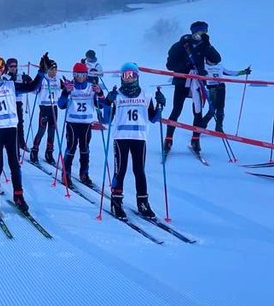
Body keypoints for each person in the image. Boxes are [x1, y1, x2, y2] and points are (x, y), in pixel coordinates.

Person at [0, 54, 46, 214]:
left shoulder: (10, 85)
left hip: (11, 129)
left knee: (15, 164)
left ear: (2, 71)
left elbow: (32, 87)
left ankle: (19, 195)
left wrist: (41, 71)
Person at [104, 63, 166, 220]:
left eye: (132, 75)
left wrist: (160, 104)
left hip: (139, 137)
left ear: (137, 76)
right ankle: (116, 202)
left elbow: (154, 119)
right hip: (121, 137)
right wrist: (107, 102)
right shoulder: (116, 95)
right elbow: (106, 119)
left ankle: (143, 203)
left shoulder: (146, 95)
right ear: (121, 77)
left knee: (139, 171)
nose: (129, 78)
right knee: (121, 170)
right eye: (126, 75)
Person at [164, 21, 221, 154]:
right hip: (182, 81)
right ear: (193, 32)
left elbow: (216, 59)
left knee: (198, 112)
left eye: (205, 32)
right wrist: (186, 65)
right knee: (176, 110)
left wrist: (208, 44)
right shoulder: (180, 45)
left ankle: (195, 140)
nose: (202, 35)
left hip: (198, 83)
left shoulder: (204, 45)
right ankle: (168, 139)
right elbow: (170, 65)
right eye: (200, 32)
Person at [57, 62, 105, 188]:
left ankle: (84, 173)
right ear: (74, 74)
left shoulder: (91, 87)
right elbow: (61, 105)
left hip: (86, 123)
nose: (80, 77)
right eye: (77, 74)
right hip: (72, 123)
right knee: (71, 147)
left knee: (85, 149)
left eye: (83, 74)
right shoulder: (70, 86)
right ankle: (66, 174)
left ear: (86, 75)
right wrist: (65, 93)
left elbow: (101, 104)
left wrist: (100, 93)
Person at [200, 58, 251, 133]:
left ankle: (219, 128)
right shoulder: (204, 66)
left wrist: (243, 72)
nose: (211, 61)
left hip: (221, 88)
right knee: (212, 109)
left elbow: (230, 72)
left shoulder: (219, 66)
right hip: (212, 89)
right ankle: (201, 126)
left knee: (221, 109)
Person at [29, 59, 60, 164]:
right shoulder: (42, 79)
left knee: (52, 132)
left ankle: (49, 153)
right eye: (52, 69)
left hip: (54, 108)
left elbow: (65, 89)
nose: (54, 72)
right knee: (41, 130)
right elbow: (33, 90)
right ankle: (34, 151)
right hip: (44, 108)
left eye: (55, 69)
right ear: (48, 70)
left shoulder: (58, 79)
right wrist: (36, 88)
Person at [5, 58, 32, 152]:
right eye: (11, 66)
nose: (13, 68)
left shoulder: (20, 76)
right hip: (8, 103)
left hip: (18, 102)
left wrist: (28, 80)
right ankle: (7, 141)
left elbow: (31, 86)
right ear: (7, 67)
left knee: (20, 122)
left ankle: (21, 142)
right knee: (9, 123)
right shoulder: (5, 76)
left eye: (15, 66)